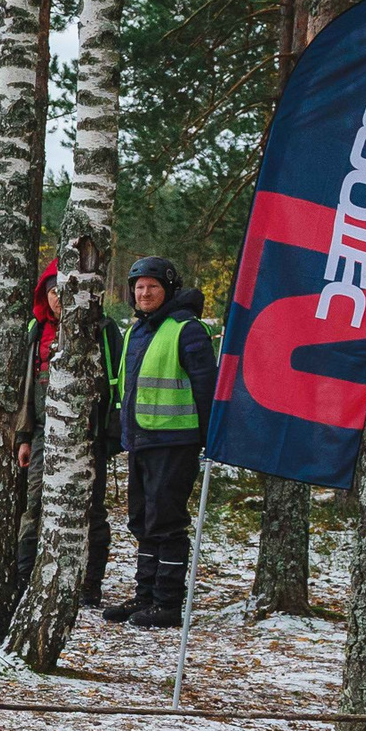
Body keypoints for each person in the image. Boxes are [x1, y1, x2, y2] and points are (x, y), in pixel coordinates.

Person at [105, 256, 220, 628]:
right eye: (139, 287)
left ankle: (167, 601)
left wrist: (210, 439)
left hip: (175, 441)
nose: (144, 293)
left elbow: (207, 388)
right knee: (142, 521)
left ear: (168, 289)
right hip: (140, 441)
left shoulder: (187, 329)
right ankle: (145, 595)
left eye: (152, 286)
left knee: (166, 523)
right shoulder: (136, 331)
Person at [14, 257, 125, 605]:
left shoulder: (102, 329)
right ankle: (26, 577)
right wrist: (23, 437)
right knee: (34, 505)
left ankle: (90, 583)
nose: (58, 299)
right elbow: (26, 387)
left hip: (88, 436)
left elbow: (117, 382)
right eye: (52, 292)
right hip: (42, 433)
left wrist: (109, 433)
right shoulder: (36, 332)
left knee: (91, 509)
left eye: (64, 292)